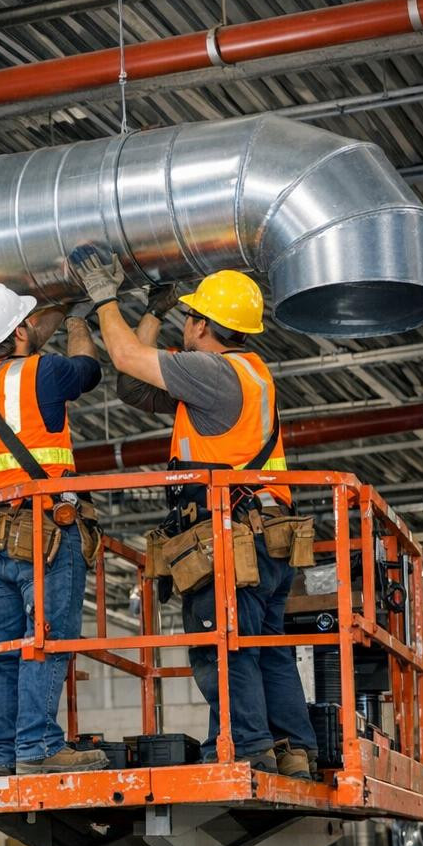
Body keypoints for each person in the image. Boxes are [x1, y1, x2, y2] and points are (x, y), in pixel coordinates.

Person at [71, 251, 315, 777]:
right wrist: (155, 314)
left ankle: (246, 748)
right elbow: (134, 387)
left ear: (205, 325)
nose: (186, 325)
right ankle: (293, 748)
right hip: (265, 539)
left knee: (219, 644)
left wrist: (104, 297)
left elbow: (128, 360)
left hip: (228, 538)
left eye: (188, 317)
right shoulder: (242, 375)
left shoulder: (212, 373)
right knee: (265, 646)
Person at [0, 283, 107, 775]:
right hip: (44, 537)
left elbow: (20, 344)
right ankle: (38, 749)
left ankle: (4, 755)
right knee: (48, 639)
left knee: (5, 649)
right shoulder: (47, 371)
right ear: (20, 332)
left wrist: (46, 314)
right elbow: (90, 369)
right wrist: (79, 319)